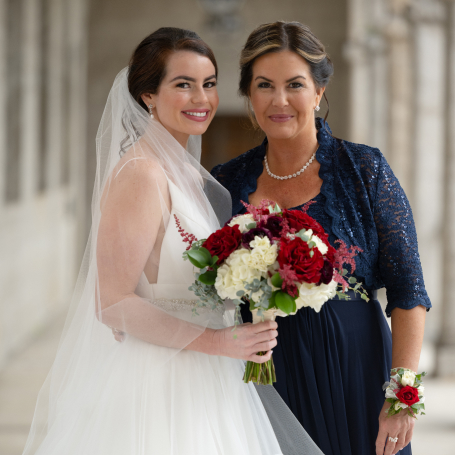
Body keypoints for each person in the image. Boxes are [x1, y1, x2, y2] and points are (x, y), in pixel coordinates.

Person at [21, 27, 323, 455]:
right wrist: (218, 342)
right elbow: (112, 302)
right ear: (148, 96)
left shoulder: (183, 172)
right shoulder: (142, 173)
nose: (201, 99)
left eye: (209, 84)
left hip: (210, 377)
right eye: (183, 85)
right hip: (160, 382)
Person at [211, 21, 431, 455]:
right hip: (262, 380)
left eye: (294, 84)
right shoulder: (225, 182)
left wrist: (402, 395)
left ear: (318, 91)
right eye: (264, 86)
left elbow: (409, 291)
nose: (279, 100)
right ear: (249, 98)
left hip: (357, 372)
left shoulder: (365, 170)